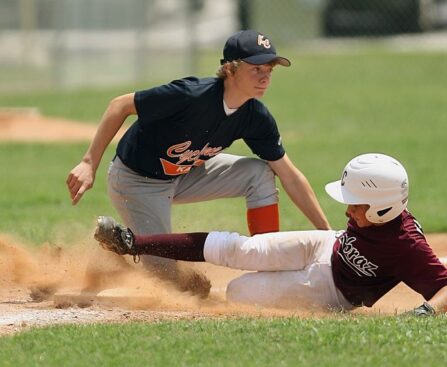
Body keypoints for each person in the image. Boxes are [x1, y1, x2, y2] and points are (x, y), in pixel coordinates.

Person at [66, 30, 331, 290]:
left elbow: (290, 176)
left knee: (259, 172)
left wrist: (328, 235)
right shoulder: (191, 95)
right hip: (137, 181)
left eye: (269, 70)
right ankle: (113, 256)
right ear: (230, 69)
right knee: (169, 281)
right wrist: (89, 163)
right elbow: (120, 105)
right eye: (256, 69)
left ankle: (267, 262)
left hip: (185, 174)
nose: (265, 77)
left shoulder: (255, 116)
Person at [93, 153, 447, 315]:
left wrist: (426, 312)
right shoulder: (373, 215)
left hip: (335, 291)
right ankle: (131, 242)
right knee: (240, 249)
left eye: (355, 204)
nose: (348, 209)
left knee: (239, 291)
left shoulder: (407, 247)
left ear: (382, 208)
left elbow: (443, 288)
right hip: (327, 245)